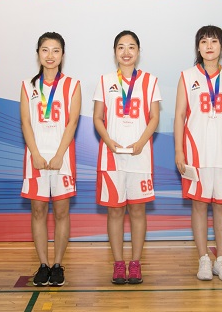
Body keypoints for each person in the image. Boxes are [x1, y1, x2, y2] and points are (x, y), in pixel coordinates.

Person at [174, 25, 222, 281]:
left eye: (214, 41)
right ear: (198, 47)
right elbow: (179, 115)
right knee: (199, 205)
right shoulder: (187, 76)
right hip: (196, 153)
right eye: (204, 41)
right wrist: (179, 151)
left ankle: (221, 259)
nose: (209, 46)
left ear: (221, 46)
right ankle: (204, 258)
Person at [93, 30, 161, 285]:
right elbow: (98, 117)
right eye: (121, 47)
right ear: (115, 52)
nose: (126, 52)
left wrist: (141, 142)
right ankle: (118, 263)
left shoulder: (150, 81)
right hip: (111, 156)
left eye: (131, 46)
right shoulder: (105, 80)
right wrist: (108, 140)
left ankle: (135, 263)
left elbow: (154, 117)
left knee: (138, 210)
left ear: (138, 51)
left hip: (139, 156)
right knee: (115, 211)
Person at [20, 32, 81, 287]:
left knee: (61, 212)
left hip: (62, 158)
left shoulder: (72, 85)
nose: (50, 55)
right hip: (35, 157)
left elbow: (72, 122)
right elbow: (26, 122)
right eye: (45, 50)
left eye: (55, 50)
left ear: (62, 55)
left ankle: (57, 264)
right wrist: (35, 153)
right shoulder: (28, 85)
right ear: (38, 54)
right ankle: (43, 264)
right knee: (38, 211)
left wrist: (58, 155)